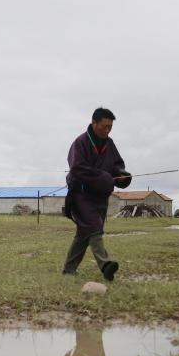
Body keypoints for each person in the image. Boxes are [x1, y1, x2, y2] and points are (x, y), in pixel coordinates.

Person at [62, 108, 132, 281]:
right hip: (81, 195)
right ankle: (106, 265)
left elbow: (117, 164)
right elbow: (76, 168)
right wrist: (102, 176)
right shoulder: (80, 142)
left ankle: (69, 269)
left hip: (100, 196)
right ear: (94, 123)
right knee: (94, 228)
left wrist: (121, 175)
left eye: (110, 127)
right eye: (104, 126)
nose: (107, 130)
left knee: (84, 233)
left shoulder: (110, 144)